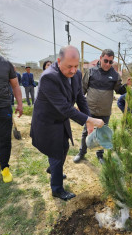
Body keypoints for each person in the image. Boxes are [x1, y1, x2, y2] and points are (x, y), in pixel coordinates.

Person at [30, 45, 104, 201]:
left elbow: (80, 98)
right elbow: (64, 107)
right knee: (56, 152)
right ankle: (57, 189)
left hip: (61, 119)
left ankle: (53, 169)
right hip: (47, 121)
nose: (73, 70)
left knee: (63, 147)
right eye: (69, 66)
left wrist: (88, 120)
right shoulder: (48, 77)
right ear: (58, 61)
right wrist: (89, 120)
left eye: (76, 66)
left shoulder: (76, 75)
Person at [73, 49, 131, 164]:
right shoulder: (91, 72)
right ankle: (81, 153)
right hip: (89, 110)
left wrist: (127, 86)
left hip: (104, 111)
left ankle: (100, 156)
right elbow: (82, 89)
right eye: (106, 61)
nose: (108, 64)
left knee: (102, 134)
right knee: (86, 132)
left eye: (111, 62)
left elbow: (119, 90)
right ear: (100, 58)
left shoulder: (114, 75)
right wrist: (78, 104)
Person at [0, 40, 23, 183]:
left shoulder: (6, 64)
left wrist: (20, 104)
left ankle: (5, 168)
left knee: (5, 138)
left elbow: (15, 85)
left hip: (3, 107)